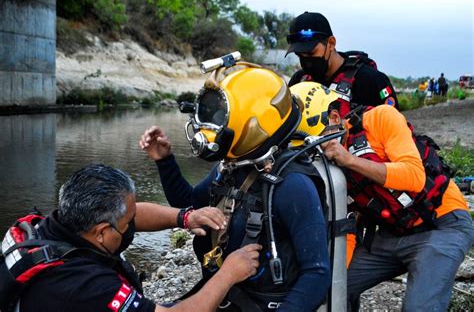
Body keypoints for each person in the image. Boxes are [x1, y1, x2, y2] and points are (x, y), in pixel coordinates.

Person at [140, 64, 331, 311]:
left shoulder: (294, 185)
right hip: (224, 293)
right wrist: (165, 161)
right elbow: (188, 203)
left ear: (255, 122)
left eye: (221, 117)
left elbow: (317, 274)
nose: (212, 128)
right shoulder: (231, 167)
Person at [295, 84, 473, 311]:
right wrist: (336, 275)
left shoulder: (381, 117)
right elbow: (347, 223)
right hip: (393, 234)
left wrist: (349, 160)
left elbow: (414, 177)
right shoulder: (327, 165)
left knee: (419, 307)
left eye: (318, 140)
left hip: (443, 224)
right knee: (330, 290)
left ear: (334, 117)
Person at [12, 164, 261, 312]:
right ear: (101, 232)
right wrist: (228, 274)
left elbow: (132, 214)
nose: (133, 224)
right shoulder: (88, 286)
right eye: (127, 223)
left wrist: (185, 218)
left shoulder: (46, 227)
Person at [286, 12, 399, 111]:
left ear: (331, 43)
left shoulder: (370, 80)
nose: (306, 61)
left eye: (311, 53)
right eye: (299, 55)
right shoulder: (299, 81)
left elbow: (395, 126)